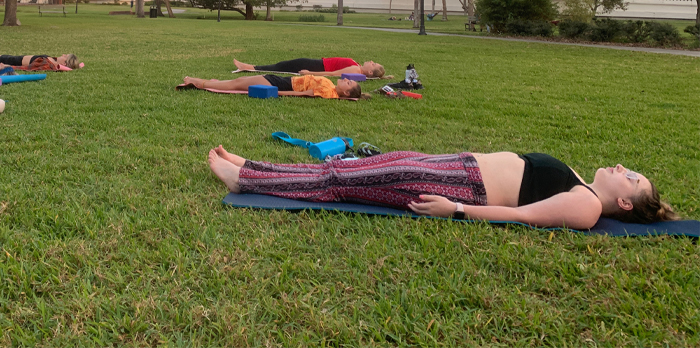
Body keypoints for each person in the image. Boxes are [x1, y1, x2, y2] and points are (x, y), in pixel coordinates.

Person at [206, 147, 678, 230]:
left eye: (631, 178)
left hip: (461, 187)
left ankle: (245, 181)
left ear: (623, 201)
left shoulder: (587, 207)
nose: (623, 168)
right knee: (354, 166)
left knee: (346, 181)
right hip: (455, 165)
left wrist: (454, 209)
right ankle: (255, 165)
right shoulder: (579, 181)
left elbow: (523, 216)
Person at [182, 74, 368, 100]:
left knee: (238, 84)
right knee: (243, 80)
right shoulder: (332, 87)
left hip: (281, 84)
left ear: (346, 91)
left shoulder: (329, 91)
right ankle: (208, 82)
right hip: (282, 79)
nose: (345, 79)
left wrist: (276, 92)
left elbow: (303, 94)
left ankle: (200, 83)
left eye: (349, 82)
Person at [233, 57, 385, 78]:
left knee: (283, 66)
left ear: (370, 71)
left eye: (373, 64)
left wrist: (309, 73)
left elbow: (332, 74)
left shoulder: (355, 70)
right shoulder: (357, 67)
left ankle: (249, 67)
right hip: (317, 63)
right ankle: (250, 67)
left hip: (316, 66)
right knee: (284, 64)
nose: (371, 61)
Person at [0, 53, 79, 70]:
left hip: (10, 61)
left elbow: (27, 68)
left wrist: (6, 67)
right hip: (11, 57)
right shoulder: (53, 61)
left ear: (64, 63)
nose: (63, 54)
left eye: (65, 56)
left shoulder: (47, 64)